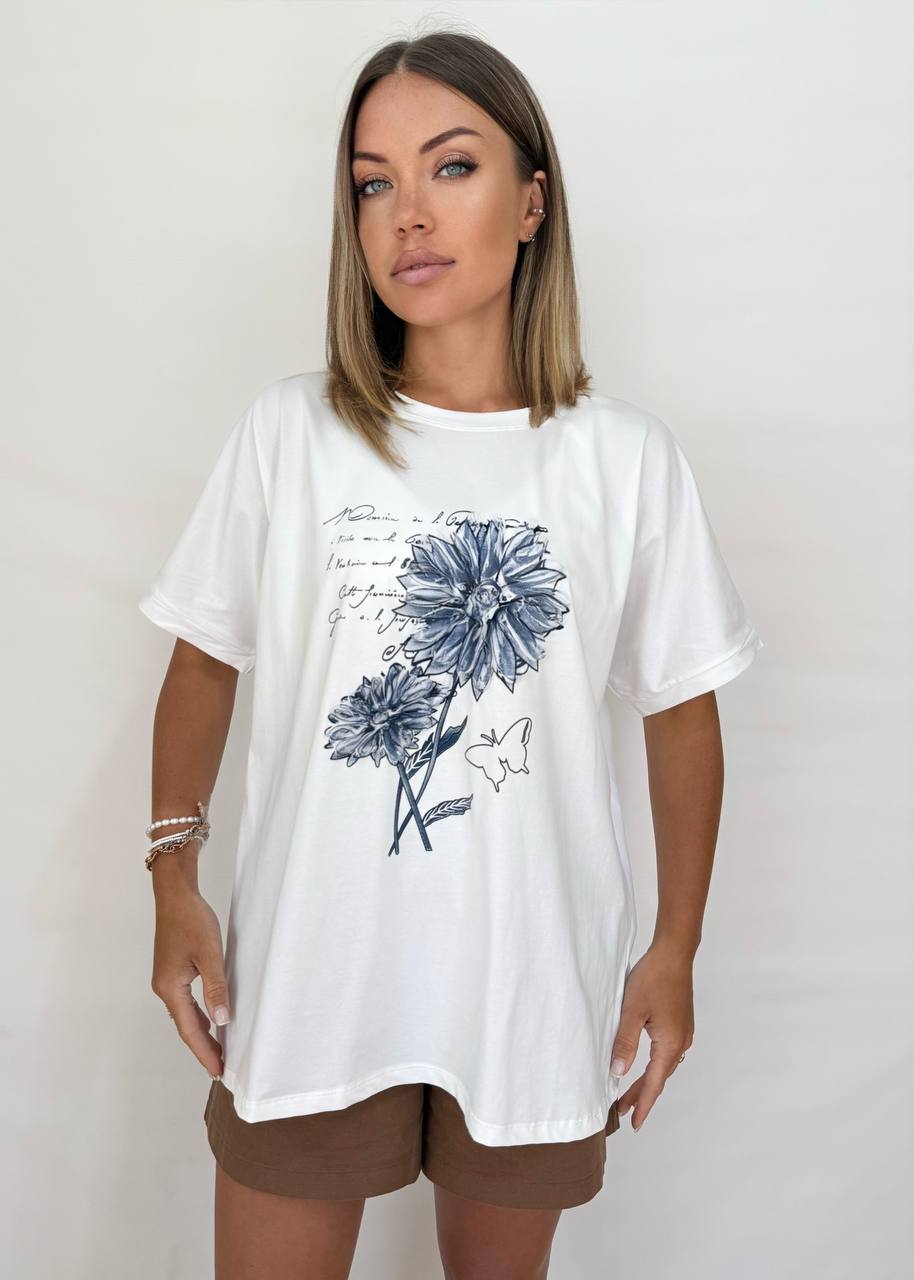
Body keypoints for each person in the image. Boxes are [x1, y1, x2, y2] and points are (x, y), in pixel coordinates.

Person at [140, 29, 763, 1280]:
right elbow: (205, 662)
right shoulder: (292, 434)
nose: (407, 214)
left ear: (532, 202)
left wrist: (673, 947)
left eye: (452, 166)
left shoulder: (620, 460)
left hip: (528, 982)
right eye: (373, 183)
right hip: (312, 976)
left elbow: (679, 710)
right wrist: (172, 881)